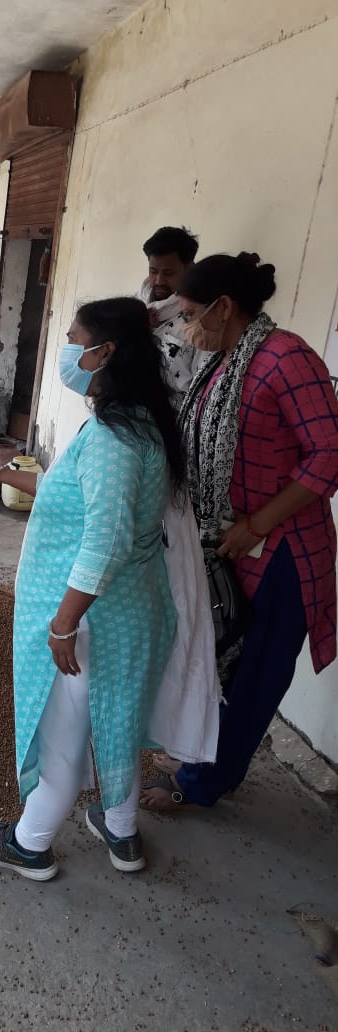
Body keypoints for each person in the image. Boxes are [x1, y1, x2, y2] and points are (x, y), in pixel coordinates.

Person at [0, 297, 187, 878]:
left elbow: (104, 542)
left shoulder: (113, 439)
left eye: (73, 338)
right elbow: (84, 501)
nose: (65, 350)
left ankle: (29, 844)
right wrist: (5, 475)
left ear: (104, 352)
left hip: (90, 619)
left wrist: (63, 623)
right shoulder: (141, 421)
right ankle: (123, 833)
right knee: (118, 722)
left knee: (62, 734)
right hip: (128, 611)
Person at [140, 252, 338, 811]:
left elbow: (329, 455)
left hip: (282, 553)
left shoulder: (285, 357)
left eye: (191, 313)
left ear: (224, 308)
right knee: (216, 656)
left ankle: (203, 784)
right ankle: (198, 751)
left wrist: (257, 525)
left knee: (253, 675)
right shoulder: (224, 360)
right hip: (232, 544)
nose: (185, 326)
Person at [137, 226, 203, 402]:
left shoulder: (201, 321)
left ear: (189, 269)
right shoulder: (139, 303)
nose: (158, 281)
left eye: (168, 273)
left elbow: (199, 392)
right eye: (153, 271)